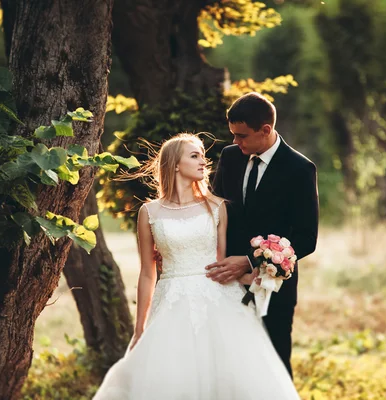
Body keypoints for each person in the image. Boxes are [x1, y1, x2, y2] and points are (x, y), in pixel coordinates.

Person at [93, 133, 300, 399]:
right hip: (171, 302)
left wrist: (256, 275)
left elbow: (221, 263)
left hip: (218, 300)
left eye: (203, 155)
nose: (204, 161)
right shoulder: (149, 213)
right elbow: (147, 273)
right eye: (195, 156)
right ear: (175, 164)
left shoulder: (216, 207)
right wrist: (139, 329)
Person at [206, 92, 319, 377]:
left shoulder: (300, 169)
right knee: (230, 364)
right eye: (232, 134)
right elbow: (215, 211)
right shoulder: (230, 157)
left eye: (242, 136)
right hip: (225, 284)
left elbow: (306, 238)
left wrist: (248, 260)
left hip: (274, 288)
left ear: (265, 130)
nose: (235, 142)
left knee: (275, 364)